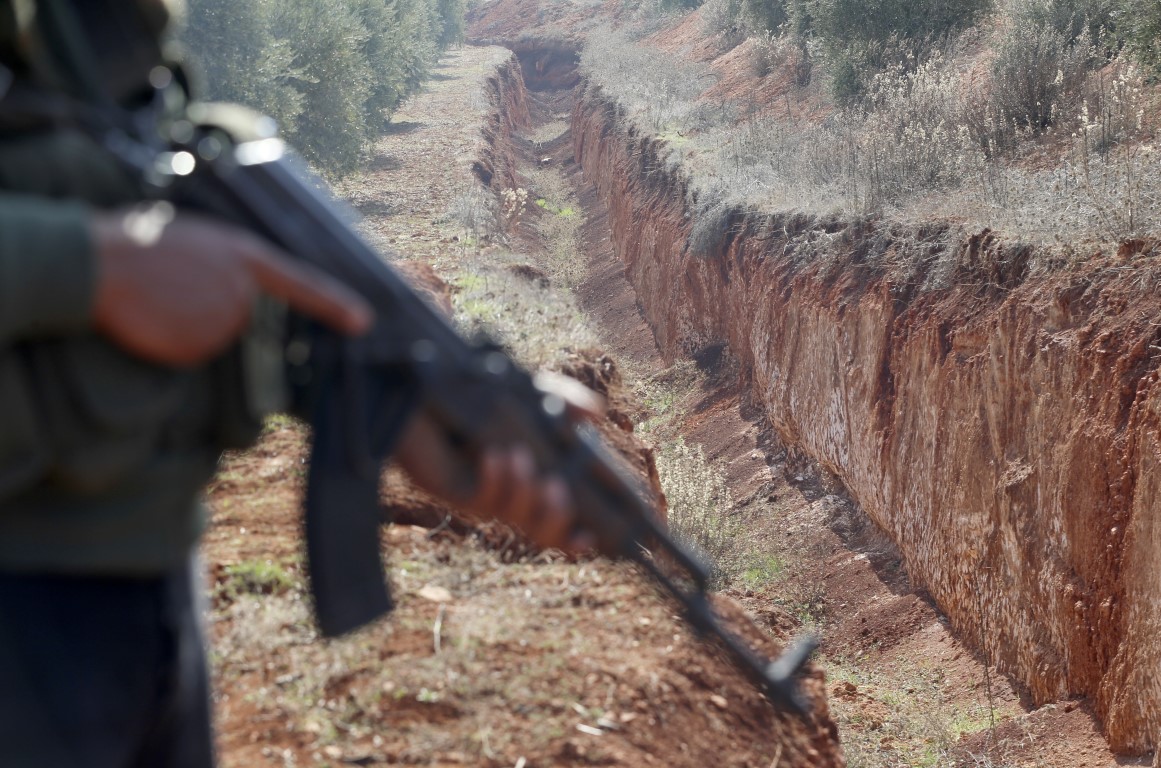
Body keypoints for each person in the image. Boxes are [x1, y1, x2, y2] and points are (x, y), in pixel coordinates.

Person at [0, 1, 597, 766]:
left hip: (139, 565)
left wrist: (390, 403)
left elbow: (91, 165)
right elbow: (106, 248)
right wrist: (88, 267)